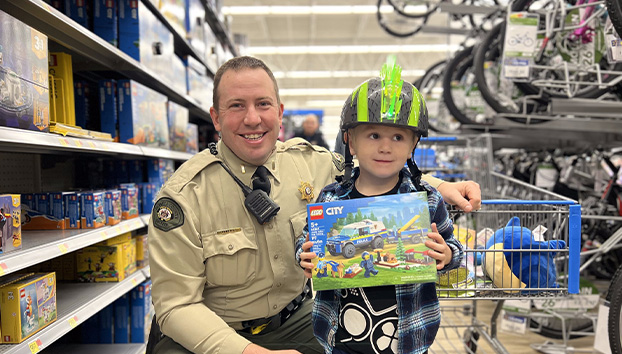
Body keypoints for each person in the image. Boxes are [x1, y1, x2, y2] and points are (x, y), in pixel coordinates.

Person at [147, 56, 481, 354]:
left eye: (263, 104)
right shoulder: (183, 196)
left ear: (279, 113)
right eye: (236, 106)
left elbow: (376, 165)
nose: (253, 119)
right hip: (216, 333)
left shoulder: (310, 163)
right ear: (216, 118)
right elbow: (176, 307)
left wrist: (443, 186)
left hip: (297, 320)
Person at [298, 60, 463, 354]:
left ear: (413, 146)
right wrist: (305, 254)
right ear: (351, 143)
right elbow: (305, 239)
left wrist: (446, 254)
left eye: (398, 137)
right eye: (374, 135)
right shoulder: (331, 199)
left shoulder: (427, 200)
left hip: (409, 337)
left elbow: (453, 250)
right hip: (340, 337)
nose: (385, 147)